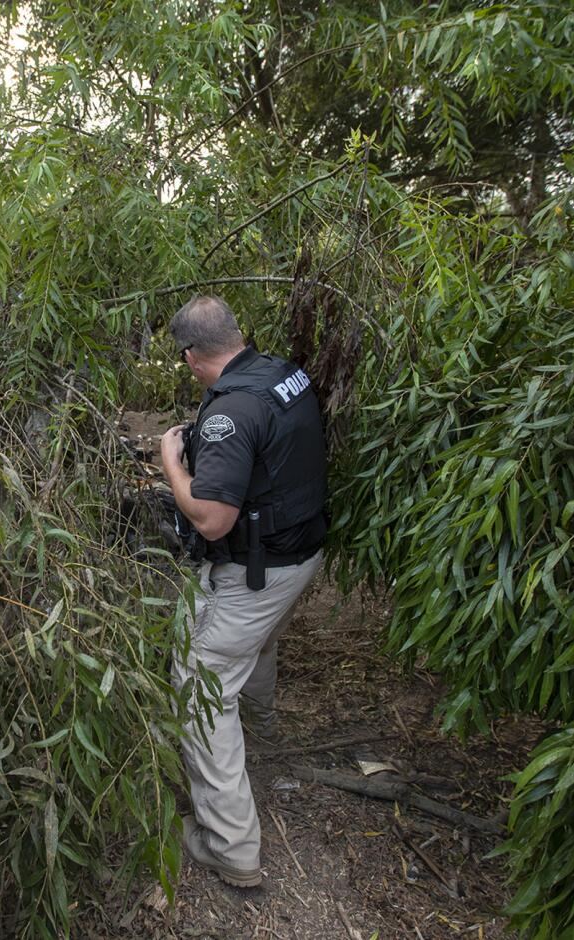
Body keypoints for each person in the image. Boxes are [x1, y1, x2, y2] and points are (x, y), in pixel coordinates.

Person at [158, 295, 327, 888]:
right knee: (252, 644)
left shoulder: (231, 412)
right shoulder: (283, 373)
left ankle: (230, 847)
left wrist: (173, 463)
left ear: (189, 356)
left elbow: (211, 520)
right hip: (298, 557)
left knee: (200, 679)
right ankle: (264, 727)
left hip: (257, 571)